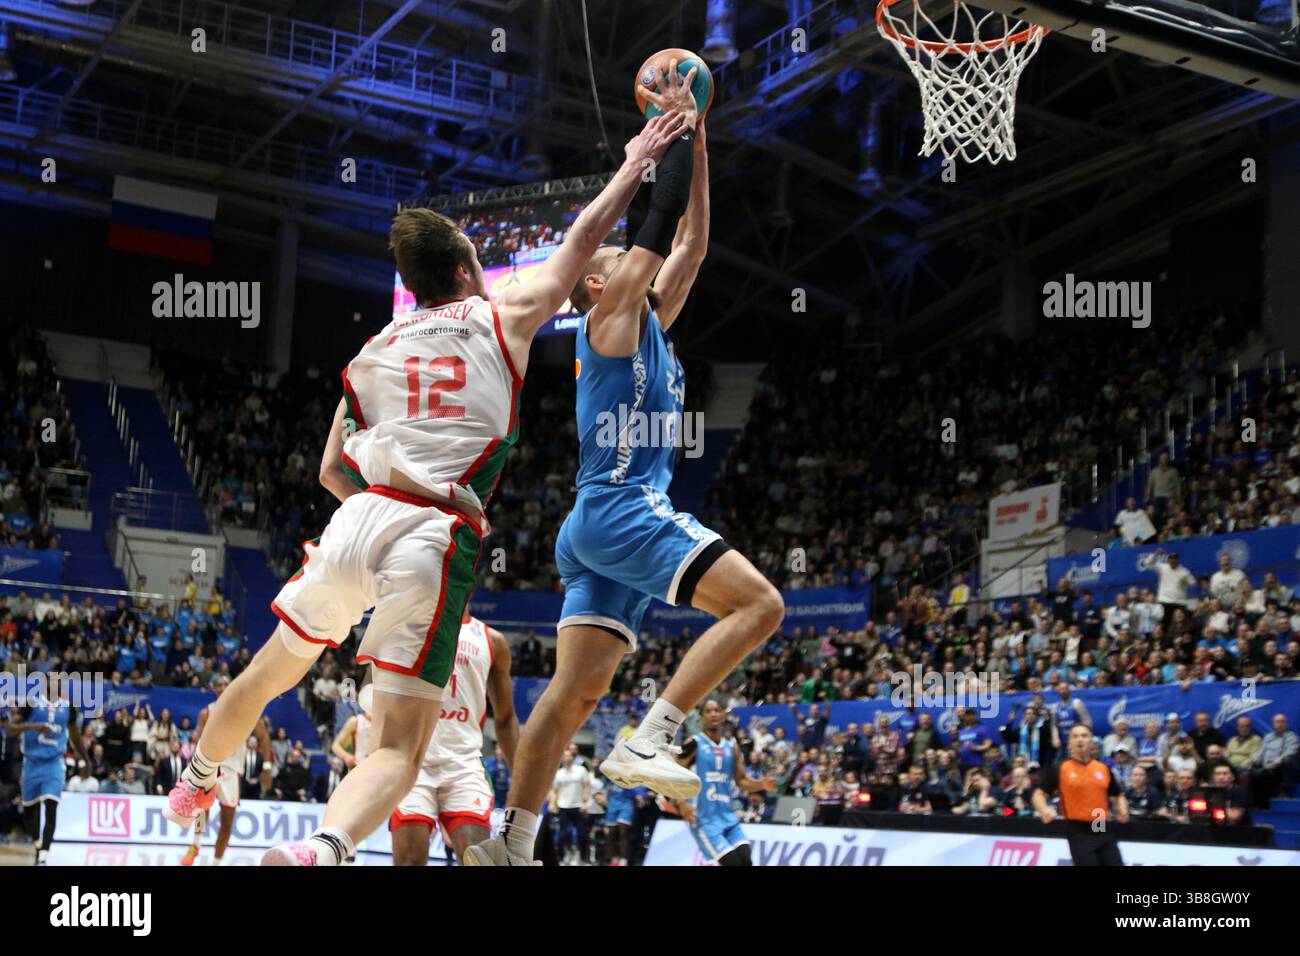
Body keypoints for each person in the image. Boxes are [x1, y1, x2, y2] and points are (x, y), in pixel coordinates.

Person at [163, 108, 688, 867]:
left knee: (263, 675)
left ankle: (198, 777)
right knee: (394, 754)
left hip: (356, 520)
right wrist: (640, 161)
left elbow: (329, 468)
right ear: (467, 271)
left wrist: (372, 534)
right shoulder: (499, 313)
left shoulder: (373, 347)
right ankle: (318, 852)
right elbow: (581, 246)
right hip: (432, 530)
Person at [470, 70, 782, 868]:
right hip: (620, 507)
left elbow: (693, 243)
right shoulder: (606, 317)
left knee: (573, 697)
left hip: (596, 527)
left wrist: (701, 138)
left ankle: (513, 842)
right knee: (760, 606)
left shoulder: (650, 325)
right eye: (615, 258)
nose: (628, 259)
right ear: (600, 283)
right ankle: (655, 736)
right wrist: (671, 130)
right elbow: (662, 220)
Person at [389, 611, 517, 865]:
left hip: (463, 764)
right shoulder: (406, 626)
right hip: (414, 763)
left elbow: (505, 718)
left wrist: (522, 779)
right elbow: (371, 693)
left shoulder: (492, 641)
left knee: (477, 859)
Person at [181, 675, 272, 866]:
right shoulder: (206, 713)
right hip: (210, 765)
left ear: (232, 686)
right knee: (200, 808)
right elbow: (197, 738)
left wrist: (266, 766)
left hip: (232, 771)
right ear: (215, 689)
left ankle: (216, 862)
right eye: (219, 685)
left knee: (227, 822)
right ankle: (195, 845)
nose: (222, 687)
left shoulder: (247, 709)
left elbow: (264, 737)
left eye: (225, 684)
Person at [670, 699, 774, 866]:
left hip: (728, 817)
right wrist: (681, 803)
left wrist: (762, 784)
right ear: (701, 717)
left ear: (723, 715)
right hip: (704, 820)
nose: (713, 714)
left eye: (717, 710)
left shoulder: (732, 746)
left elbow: (742, 782)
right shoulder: (694, 743)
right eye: (708, 711)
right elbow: (672, 773)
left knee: (746, 861)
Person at [6, 681, 89, 865]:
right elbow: (11, 730)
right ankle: (38, 845)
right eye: (50, 679)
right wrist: (32, 727)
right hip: (32, 764)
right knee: (29, 812)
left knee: (51, 807)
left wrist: (86, 760)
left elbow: (75, 737)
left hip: (54, 764)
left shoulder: (69, 708)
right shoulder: (31, 704)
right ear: (44, 685)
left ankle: (43, 855)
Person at [1033, 724, 1129, 866]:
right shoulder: (1060, 768)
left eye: (1084, 736)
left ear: (1092, 741)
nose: (1080, 740)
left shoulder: (1103, 769)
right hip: (1079, 831)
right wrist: (1044, 810)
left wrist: (1122, 809)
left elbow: (1117, 795)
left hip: (1102, 826)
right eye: (1075, 736)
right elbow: (1039, 794)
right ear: (1070, 743)